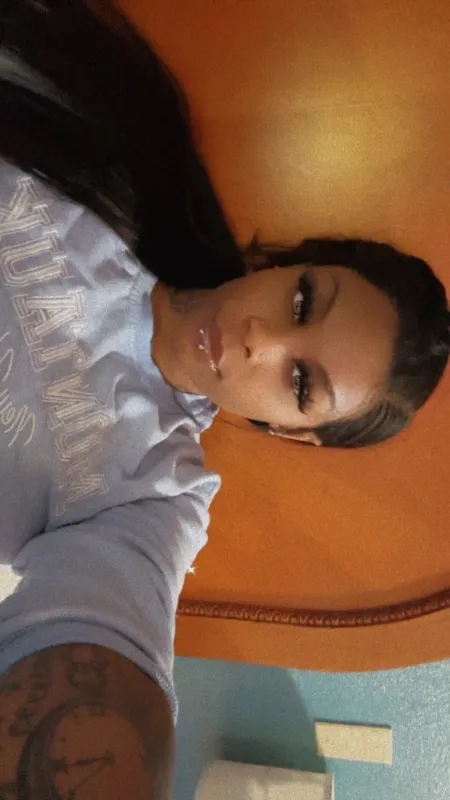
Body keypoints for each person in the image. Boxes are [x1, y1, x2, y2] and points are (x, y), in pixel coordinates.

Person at [0, 2, 448, 797]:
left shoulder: (153, 497)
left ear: (294, 430)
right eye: (302, 302)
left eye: (300, 382)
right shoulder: (112, 143)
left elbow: (102, 640)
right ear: (286, 264)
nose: (258, 341)